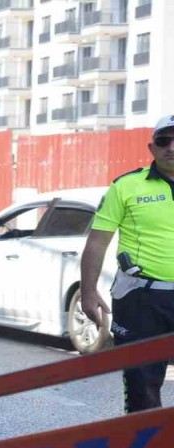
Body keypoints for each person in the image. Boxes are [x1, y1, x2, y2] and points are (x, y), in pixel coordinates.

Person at [80, 114, 174, 413]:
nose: (171, 147)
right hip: (141, 299)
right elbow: (97, 242)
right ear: (151, 148)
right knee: (142, 389)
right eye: (163, 140)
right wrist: (88, 292)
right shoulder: (126, 186)